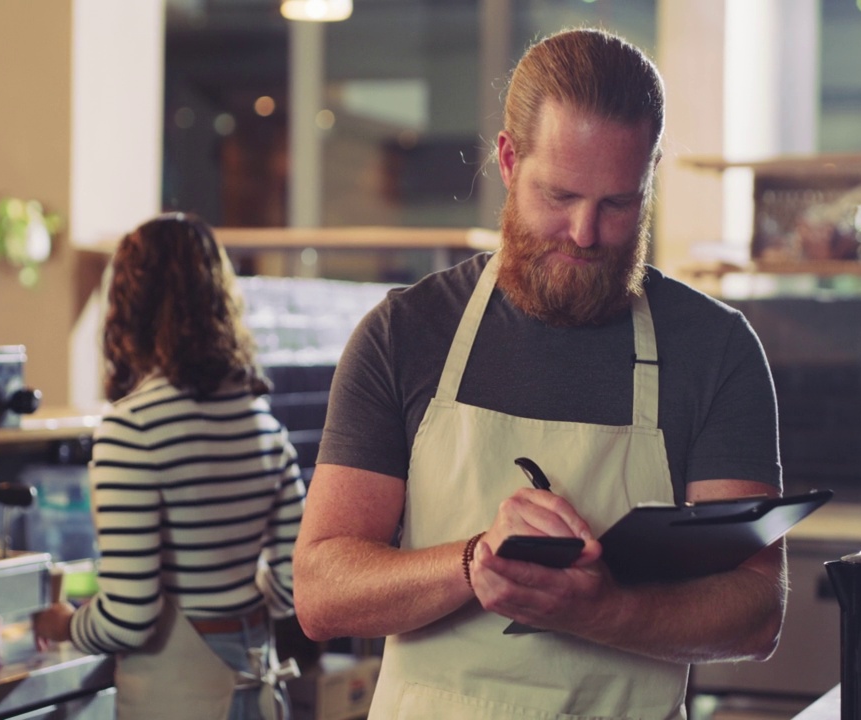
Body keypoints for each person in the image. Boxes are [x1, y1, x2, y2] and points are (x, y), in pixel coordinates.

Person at [293, 27, 784, 719]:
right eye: (560, 196)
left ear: (651, 173)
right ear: (507, 159)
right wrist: (473, 562)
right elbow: (320, 593)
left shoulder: (714, 349)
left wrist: (606, 610)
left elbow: (757, 611)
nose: (585, 233)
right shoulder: (405, 334)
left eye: (618, 203)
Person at [33, 213, 306, 720]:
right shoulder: (262, 421)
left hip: (180, 700)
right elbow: (295, 584)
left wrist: (63, 624)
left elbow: (129, 615)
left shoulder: (131, 429)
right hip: (261, 689)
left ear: (127, 304)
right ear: (220, 298)